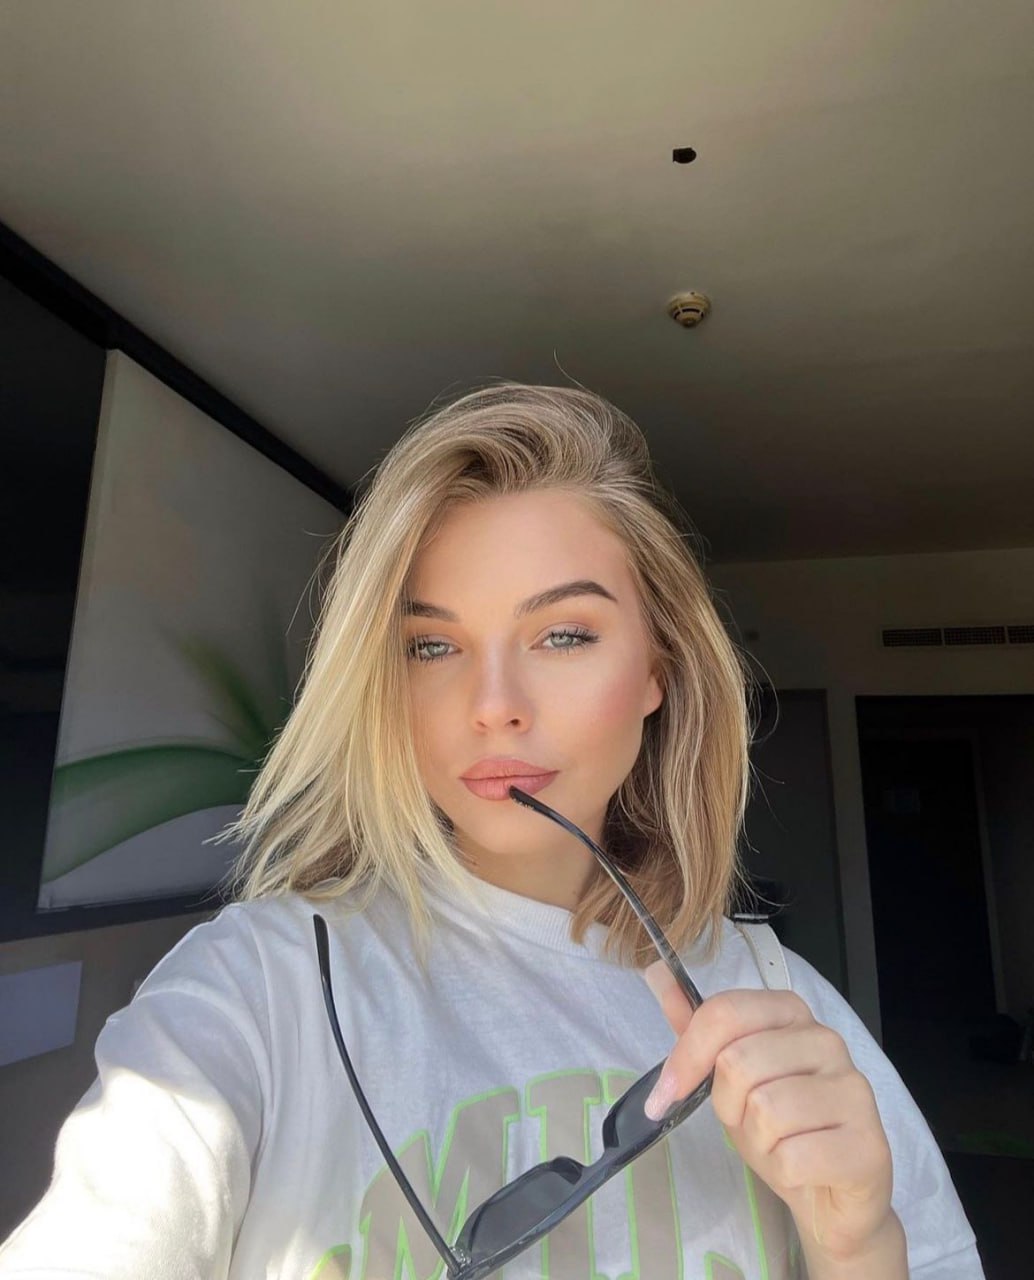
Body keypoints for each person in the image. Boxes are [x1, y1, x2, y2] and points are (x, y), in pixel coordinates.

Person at [0, 385, 983, 1280]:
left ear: (658, 670)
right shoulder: (257, 989)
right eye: (433, 645)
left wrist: (859, 1246)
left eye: (563, 634)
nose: (492, 704)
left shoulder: (779, 1000)